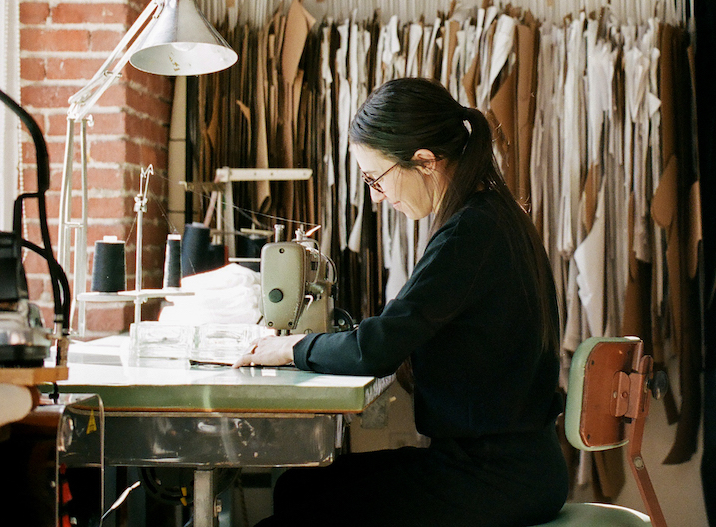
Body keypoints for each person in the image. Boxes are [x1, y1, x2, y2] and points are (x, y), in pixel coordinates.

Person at [235, 77, 568, 527]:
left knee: (290, 514)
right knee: (299, 486)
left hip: (493, 477)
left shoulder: (470, 232)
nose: (376, 197)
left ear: (425, 162)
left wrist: (291, 348)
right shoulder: (493, 215)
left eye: (376, 179)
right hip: (512, 466)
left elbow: (378, 345)